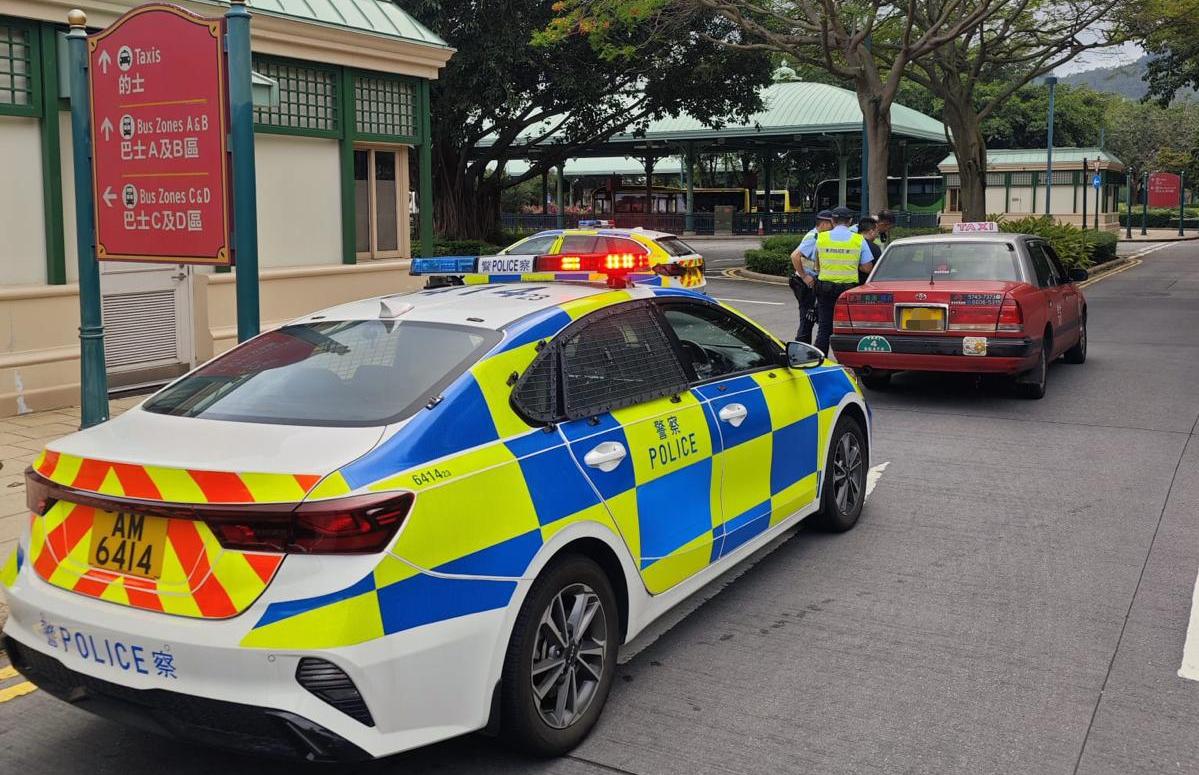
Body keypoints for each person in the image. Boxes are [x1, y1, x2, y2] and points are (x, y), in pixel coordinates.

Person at [812, 207, 875, 353]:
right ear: (850, 221)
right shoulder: (858, 240)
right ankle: (850, 361)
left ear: (832, 221)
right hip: (848, 292)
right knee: (850, 328)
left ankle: (820, 360)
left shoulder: (821, 238)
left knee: (824, 328)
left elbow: (817, 265)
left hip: (825, 289)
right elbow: (868, 268)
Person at [788, 210, 833, 343]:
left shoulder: (819, 236)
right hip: (806, 283)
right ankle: (801, 349)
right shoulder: (814, 237)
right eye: (832, 224)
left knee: (811, 318)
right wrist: (804, 276)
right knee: (807, 320)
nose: (833, 227)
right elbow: (794, 256)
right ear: (824, 224)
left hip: (811, 282)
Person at [856, 216, 882, 285]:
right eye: (877, 231)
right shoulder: (875, 248)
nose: (877, 235)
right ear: (871, 231)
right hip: (866, 285)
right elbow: (877, 270)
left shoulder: (851, 243)